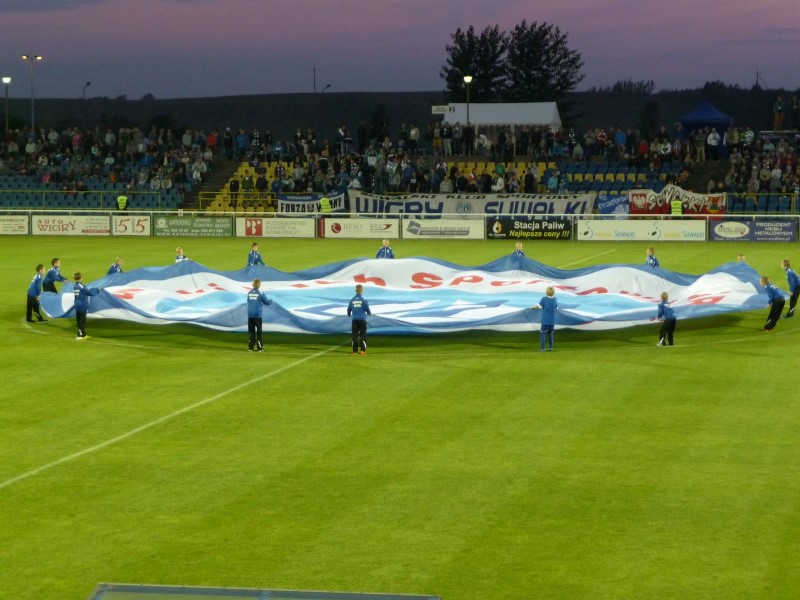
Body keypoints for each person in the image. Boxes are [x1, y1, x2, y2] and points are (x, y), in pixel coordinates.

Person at [246, 278, 273, 352]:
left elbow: (248, 301)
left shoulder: (249, 292)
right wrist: (272, 301)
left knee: (251, 332)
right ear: (259, 284)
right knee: (259, 332)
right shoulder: (260, 293)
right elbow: (267, 302)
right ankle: (260, 348)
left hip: (250, 315)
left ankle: (250, 347)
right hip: (257, 315)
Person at [73, 272, 101, 339]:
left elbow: (84, 291)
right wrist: (97, 289)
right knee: (82, 320)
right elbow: (89, 292)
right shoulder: (81, 286)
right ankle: (80, 335)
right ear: (81, 277)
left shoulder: (75, 286)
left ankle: (83, 334)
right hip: (82, 304)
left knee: (80, 319)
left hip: (77, 304)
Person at [531, 286, 558, 352]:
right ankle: (551, 348)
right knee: (551, 334)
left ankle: (542, 349)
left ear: (546, 292)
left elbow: (538, 306)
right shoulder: (555, 299)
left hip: (545, 320)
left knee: (543, 334)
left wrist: (533, 308)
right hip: (552, 321)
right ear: (553, 292)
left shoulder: (544, 299)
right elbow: (556, 307)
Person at [347, 283, 371, 355]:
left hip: (354, 320)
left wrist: (349, 314)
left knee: (354, 335)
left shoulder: (352, 299)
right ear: (362, 290)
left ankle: (354, 351)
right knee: (362, 335)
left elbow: (349, 309)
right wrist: (369, 313)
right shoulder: (363, 300)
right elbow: (367, 309)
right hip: (362, 319)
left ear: (355, 290)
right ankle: (362, 350)